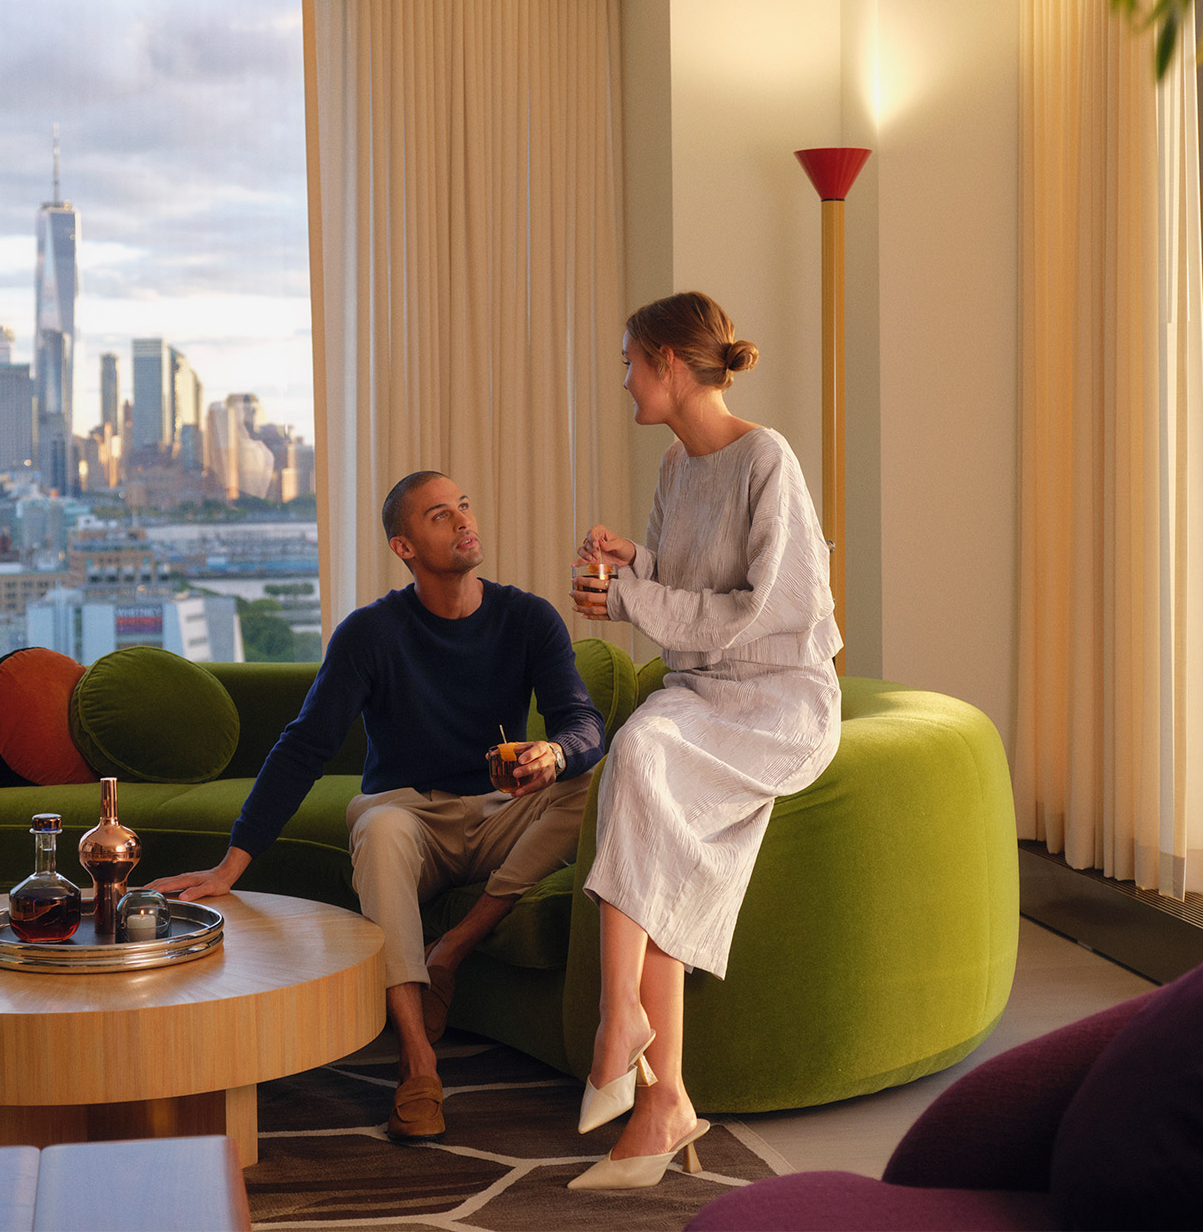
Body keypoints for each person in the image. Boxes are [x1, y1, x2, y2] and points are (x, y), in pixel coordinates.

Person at [153, 470, 604, 1144]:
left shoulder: (527, 618)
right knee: (382, 825)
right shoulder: (371, 633)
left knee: (596, 778)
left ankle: (454, 945)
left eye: (464, 506)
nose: (461, 522)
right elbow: (304, 746)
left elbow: (584, 725)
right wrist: (229, 866)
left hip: (498, 816)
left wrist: (557, 754)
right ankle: (417, 1061)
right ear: (404, 546)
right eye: (439, 516)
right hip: (409, 817)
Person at [564, 291, 840, 1190]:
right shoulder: (675, 469)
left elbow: (766, 612)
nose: (627, 381)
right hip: (703, 690)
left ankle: (619, 1024)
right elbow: (684, 611)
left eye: (631, 363)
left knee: (642, 755)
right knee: (649, 793)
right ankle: (664, 1098)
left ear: (671, 366)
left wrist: (637, 596)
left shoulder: (769, 460)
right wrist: (631, 570)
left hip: (780, 700)